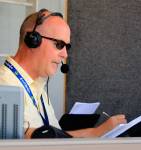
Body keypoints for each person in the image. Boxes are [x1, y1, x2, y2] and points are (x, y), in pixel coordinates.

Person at [0, 9, 127, 138]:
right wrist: (96, 132)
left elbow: (54, 140)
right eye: (59, 44)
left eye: (67, 47)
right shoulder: (4, 85)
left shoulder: (39, 89)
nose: (65, 54)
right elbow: (24, 140)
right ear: (32, 40)